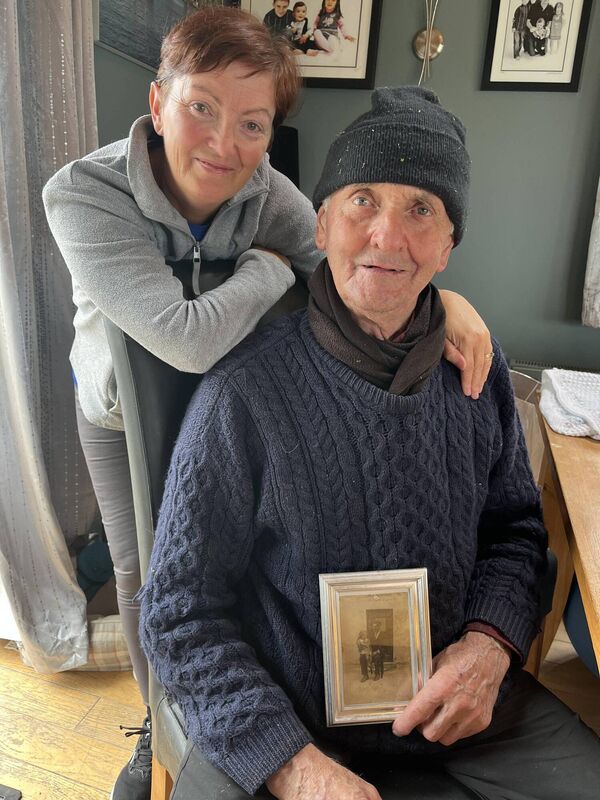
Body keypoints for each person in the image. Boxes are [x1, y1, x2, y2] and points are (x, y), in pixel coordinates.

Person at [44, 6, 490, 798]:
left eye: (252, 123)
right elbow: (184, 339)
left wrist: (447, 301)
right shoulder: (81, 194)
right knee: (147, 574)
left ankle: (230, 698)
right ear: (158, 103)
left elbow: (354, 256)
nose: (225, 144)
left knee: (232, 548)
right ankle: (163, 720)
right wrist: (268, 268)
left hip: (237, 373)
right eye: (201, 108)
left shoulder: (268, 188)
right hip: (123, 403)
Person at [139, 86, 600, 800]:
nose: (387, 236)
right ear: (321, 224)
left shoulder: (477, 375)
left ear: (448, 246)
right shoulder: (245, 395)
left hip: (460, 711)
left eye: (421, 209)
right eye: (362, 200)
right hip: (286, 716)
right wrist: (292, 764)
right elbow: (177, 610)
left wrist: (487, 648)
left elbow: (514, 533)